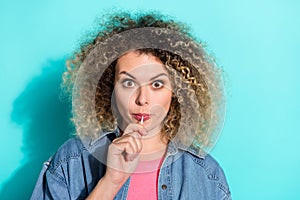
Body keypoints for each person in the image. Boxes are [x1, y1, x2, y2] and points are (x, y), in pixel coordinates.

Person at [31, 11, 231, 200]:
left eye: (157, 84)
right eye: (129, 83)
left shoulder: (207, 176)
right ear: (110, 88)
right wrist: (110, 182)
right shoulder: (72, 160)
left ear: (176, 92)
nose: (142, 99)